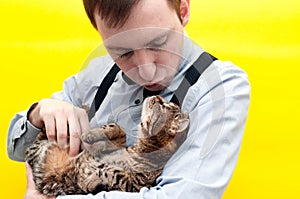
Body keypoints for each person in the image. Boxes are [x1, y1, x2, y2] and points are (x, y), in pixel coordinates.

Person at [7, 0, 250, 198]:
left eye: (159, 43)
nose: (146, 72)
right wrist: (38, 114)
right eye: (123, 52)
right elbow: (17, 150)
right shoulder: (97, 73)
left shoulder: (221, 85)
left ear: (183, 11)